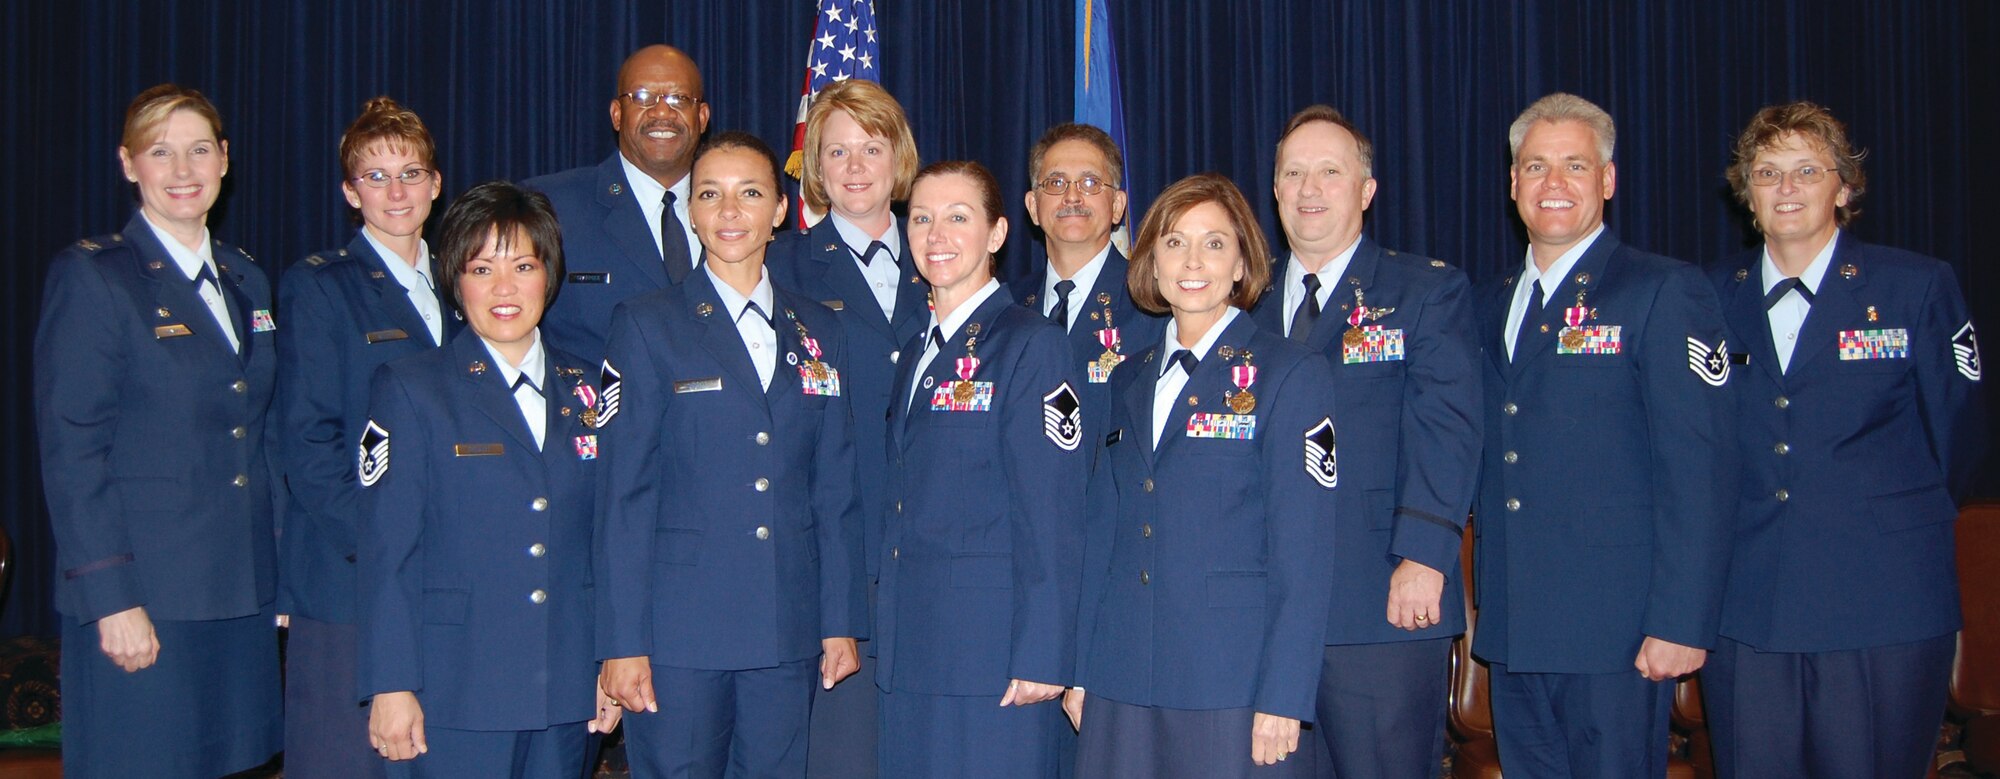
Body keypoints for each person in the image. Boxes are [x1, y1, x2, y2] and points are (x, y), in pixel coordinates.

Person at [1701, 101, 1987, 779]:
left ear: (1844, 187)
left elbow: (1961, 443)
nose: (1788, 187)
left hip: (1880, 603)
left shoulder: (1915, 287)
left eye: (1808, 169)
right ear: (1747, 192)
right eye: (1768, 172)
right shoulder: (1709, 296)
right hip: (1750, 606)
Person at [1471, 93, 1735, 778]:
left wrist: (1681, 619)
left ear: (1608, 180)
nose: (1553, 184)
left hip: (1615, 629)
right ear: (1512, 183)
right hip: (1517, 624)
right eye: (1535, 166)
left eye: (1574, 166)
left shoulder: (1661, 291)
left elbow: (1698, 468)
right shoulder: (1492, 299)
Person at [594, 131, 867, 778]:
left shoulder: (820, 329)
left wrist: (839, 619)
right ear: (690, 211)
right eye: (710, 194)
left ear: (780, 209)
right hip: (680, 634)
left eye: (750, 194)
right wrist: (622, 641)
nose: (729, 212)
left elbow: (835, 489)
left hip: (786, 625)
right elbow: (623, 497)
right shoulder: (647, 323)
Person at [33, 83, 282, 778]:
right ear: (127, 163)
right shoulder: (96, 279)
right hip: (147, 598)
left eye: (199, 149)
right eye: (160, 151)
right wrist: (111, 597)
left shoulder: (246, 280)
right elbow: (73, 450)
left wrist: (278, 578)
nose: (182, 170)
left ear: (225, 160)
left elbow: (258, 438)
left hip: (238, 593)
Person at [1067, 172, 1339, 778]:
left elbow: (1306, 551)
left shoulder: (1289, 374)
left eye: (1214, 243)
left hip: (1231, 683)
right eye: (1174, 242)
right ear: (1151, 263)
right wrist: (1081, 668)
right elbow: (1101, 536)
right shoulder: (1125, 377)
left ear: (1242, 263)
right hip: (1122, 672)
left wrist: (1284, 697)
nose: (1193, 262)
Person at [1247, 105, 1482, 779]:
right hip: (1263, 610)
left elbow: (1448, 426)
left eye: (1329, 172)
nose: (1309, 189)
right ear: (1276, 190)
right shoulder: (1244, 303)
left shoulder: (1424, 290)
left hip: (1380, 598)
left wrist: (1425, 555)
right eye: (1294, 173)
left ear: (1366, 190)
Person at [358, 181, 620, 776]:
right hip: (454, 687)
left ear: (549, 276)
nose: (505, 288)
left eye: (523, 265)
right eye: (482, 268)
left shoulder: (589, 390)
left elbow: (604, 543)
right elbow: (387, 552)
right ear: (455, 279)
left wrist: (608, 660)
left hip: (565, 685)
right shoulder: (411, 389)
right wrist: (391, 683)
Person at [875, 161, 1085, 777]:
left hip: (992, 655)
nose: (936, 235)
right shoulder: (916, 349)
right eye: (921, 218)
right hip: (910, 645)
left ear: (997, 234)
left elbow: (1051, 509)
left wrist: (1046, 652)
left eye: (957, 218)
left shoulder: (1029, 343)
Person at [277, 96, 457, 778]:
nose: (396, 191)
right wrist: (386, 549)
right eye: (375, 177)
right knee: (346, 763)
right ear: (351, 193)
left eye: (410, 172)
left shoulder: (463, 286)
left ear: (437, 183)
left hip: (441, 580)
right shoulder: (321, 288)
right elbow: (310, 444)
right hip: (349, 577)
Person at [765, 78, 926, 779]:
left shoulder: (948, 255)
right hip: (839, 571)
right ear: (815, 169)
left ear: (900, 158)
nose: (856, 165)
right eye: (837, 151)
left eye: (871, 146)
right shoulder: (781, 269)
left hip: (939, 567)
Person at [528, 44, 711, 363]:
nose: (662, 113)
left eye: (679, 99)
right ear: (616, 114)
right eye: (642, 97)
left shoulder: (737, 211)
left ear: (702, 117)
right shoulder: (550, 206)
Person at [1011, 123, 1166, 462]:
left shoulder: (1155, 305)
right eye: (1055, 183)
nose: (1072, 196)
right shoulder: (1005, 306)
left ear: (1117, 206)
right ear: (1033, 206)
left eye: (1091, 183)